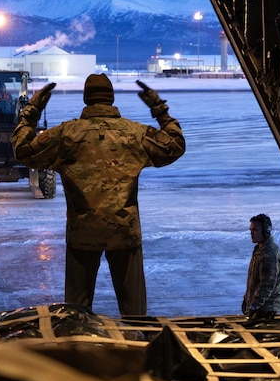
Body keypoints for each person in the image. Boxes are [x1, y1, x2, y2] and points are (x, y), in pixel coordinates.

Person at [12, 74, 185, 316]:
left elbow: (23, 150)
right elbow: (175, 145)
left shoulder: (66, 135)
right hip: (124, 232)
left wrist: (32, 110)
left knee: (76, 315)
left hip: (82, 232)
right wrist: (159, 110)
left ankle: (81, 349)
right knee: (135, 314)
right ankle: (140, 349)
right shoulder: (133, 133)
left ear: (86, 99)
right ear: (111, 99)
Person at [241, 213, 280, 323]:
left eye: (255, 230)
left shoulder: (270, 253)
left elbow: (267, 284)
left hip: (267, 311)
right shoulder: (259, 250)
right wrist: (247, 299)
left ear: (266, 231)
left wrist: (254, 306)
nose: (251, 234)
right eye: (251, 230)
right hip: (259, 308)